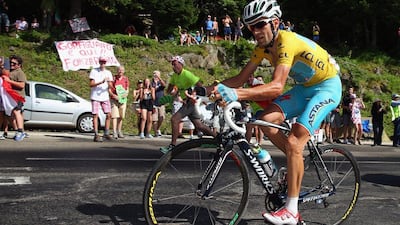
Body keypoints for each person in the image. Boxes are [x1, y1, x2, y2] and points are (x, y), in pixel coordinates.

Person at [210, 0, 342, 223]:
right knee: (265, 120)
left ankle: (291, 210)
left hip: (327, 87)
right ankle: (293, 159)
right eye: (250, 27)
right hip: (305, 88)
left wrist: (237, 94)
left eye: (260, 24)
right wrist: (207, 89)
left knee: (293, 142)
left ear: (275, 23)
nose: (256, 31)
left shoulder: (286, 41)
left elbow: (277, 85)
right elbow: (241, 79)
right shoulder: (262, 48)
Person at [160, 56, 215, 153]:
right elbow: (170, 87)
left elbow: (200, 85)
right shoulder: (175, 76)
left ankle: (172, 145)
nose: (173, 66)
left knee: (174, 119)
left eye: (175, 64)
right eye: (172, 64)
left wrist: (196, 95)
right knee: (199, 126)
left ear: (181, 64)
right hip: (185, 101)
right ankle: (218, 138)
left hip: (191, 101)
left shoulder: (187, 74)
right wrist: (167, 95)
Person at [89, 57, 113, 142]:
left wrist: (111, 85)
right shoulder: (94, 71)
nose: (103, 64)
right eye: (101, 62)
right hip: (95, 96)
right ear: (99, 62)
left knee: (109, 114)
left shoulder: (108, 72)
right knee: (95, 115)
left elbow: (110, 85)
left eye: (104, 62)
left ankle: (106, 133)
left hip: (105, 96)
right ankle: (96, 134)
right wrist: (101, 82)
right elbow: (91, 84)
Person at [109, 66, 129, 139]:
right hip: (114, 99)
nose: (120, 71)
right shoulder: (113, 79)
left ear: (124, 71)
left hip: (122, 100)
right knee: (114, 116)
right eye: (119, 70)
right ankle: (114, 131)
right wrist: (113, 95)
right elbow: (109, 89)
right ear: (117, 71)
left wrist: (125, 94)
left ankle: (119, 130)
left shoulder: (125, 79)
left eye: (122, 70)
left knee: (121, 116)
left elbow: (127, 89)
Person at [151, 70, 166, 137]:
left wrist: (159, 78)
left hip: (161, 102)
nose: (155, 75)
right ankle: (155, 132)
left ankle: (158, 128)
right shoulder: (151, 83)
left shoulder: (161, 82)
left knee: (161, 117)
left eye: (156, 74)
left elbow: (164, 85)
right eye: (154, 74)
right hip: (154, 103)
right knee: (154, 119)